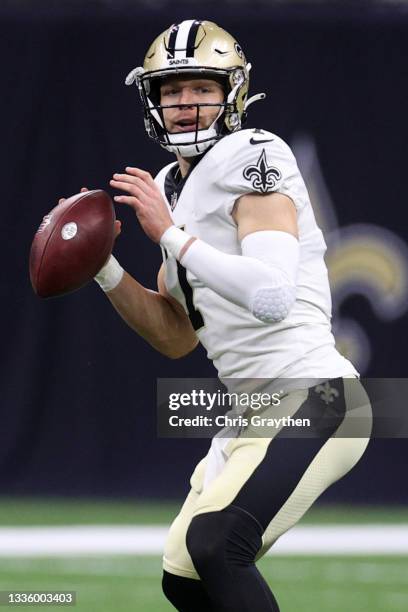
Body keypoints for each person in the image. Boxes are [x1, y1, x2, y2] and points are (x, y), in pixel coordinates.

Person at [91, 20, 371, 612]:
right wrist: (105, 269)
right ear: (152, 100)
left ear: (232, 93)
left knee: (217, 542)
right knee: (184, 576)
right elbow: (176, 338)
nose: (185, 104)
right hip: (252, 410)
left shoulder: (255, 153)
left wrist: (170, 236)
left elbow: (271, 294)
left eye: (201, 88)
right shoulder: (168, 186)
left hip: (317, 395)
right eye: (171, 91)